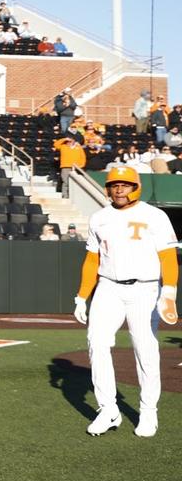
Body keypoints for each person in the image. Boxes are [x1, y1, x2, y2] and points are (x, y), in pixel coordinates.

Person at [73, 166, 177, 438]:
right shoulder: (99, 218)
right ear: (108, 188)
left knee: (145, 349)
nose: (119, 189)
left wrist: (169, 292)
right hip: (108, 287)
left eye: (125, 184)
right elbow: (92, 260)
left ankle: (148, 410)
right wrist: (82, 296)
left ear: (136, 187)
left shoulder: (155, 216)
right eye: (114, 185)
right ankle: (108, 409)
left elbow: (167, 257)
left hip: (145, 289)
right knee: (96, 344)